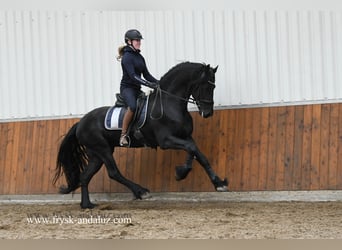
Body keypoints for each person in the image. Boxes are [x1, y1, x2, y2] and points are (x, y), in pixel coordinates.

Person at [117, 29, 159, 146]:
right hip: (127, 89)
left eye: (139, 40)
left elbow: (147, 75)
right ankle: (123, 135)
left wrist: (159, 83)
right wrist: (149, 84)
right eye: (137, 40)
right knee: (133, 106)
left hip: (136, 89)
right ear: (129, 42)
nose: (139, 42)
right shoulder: (127, 57)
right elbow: (133, 76)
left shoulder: (140, 57)